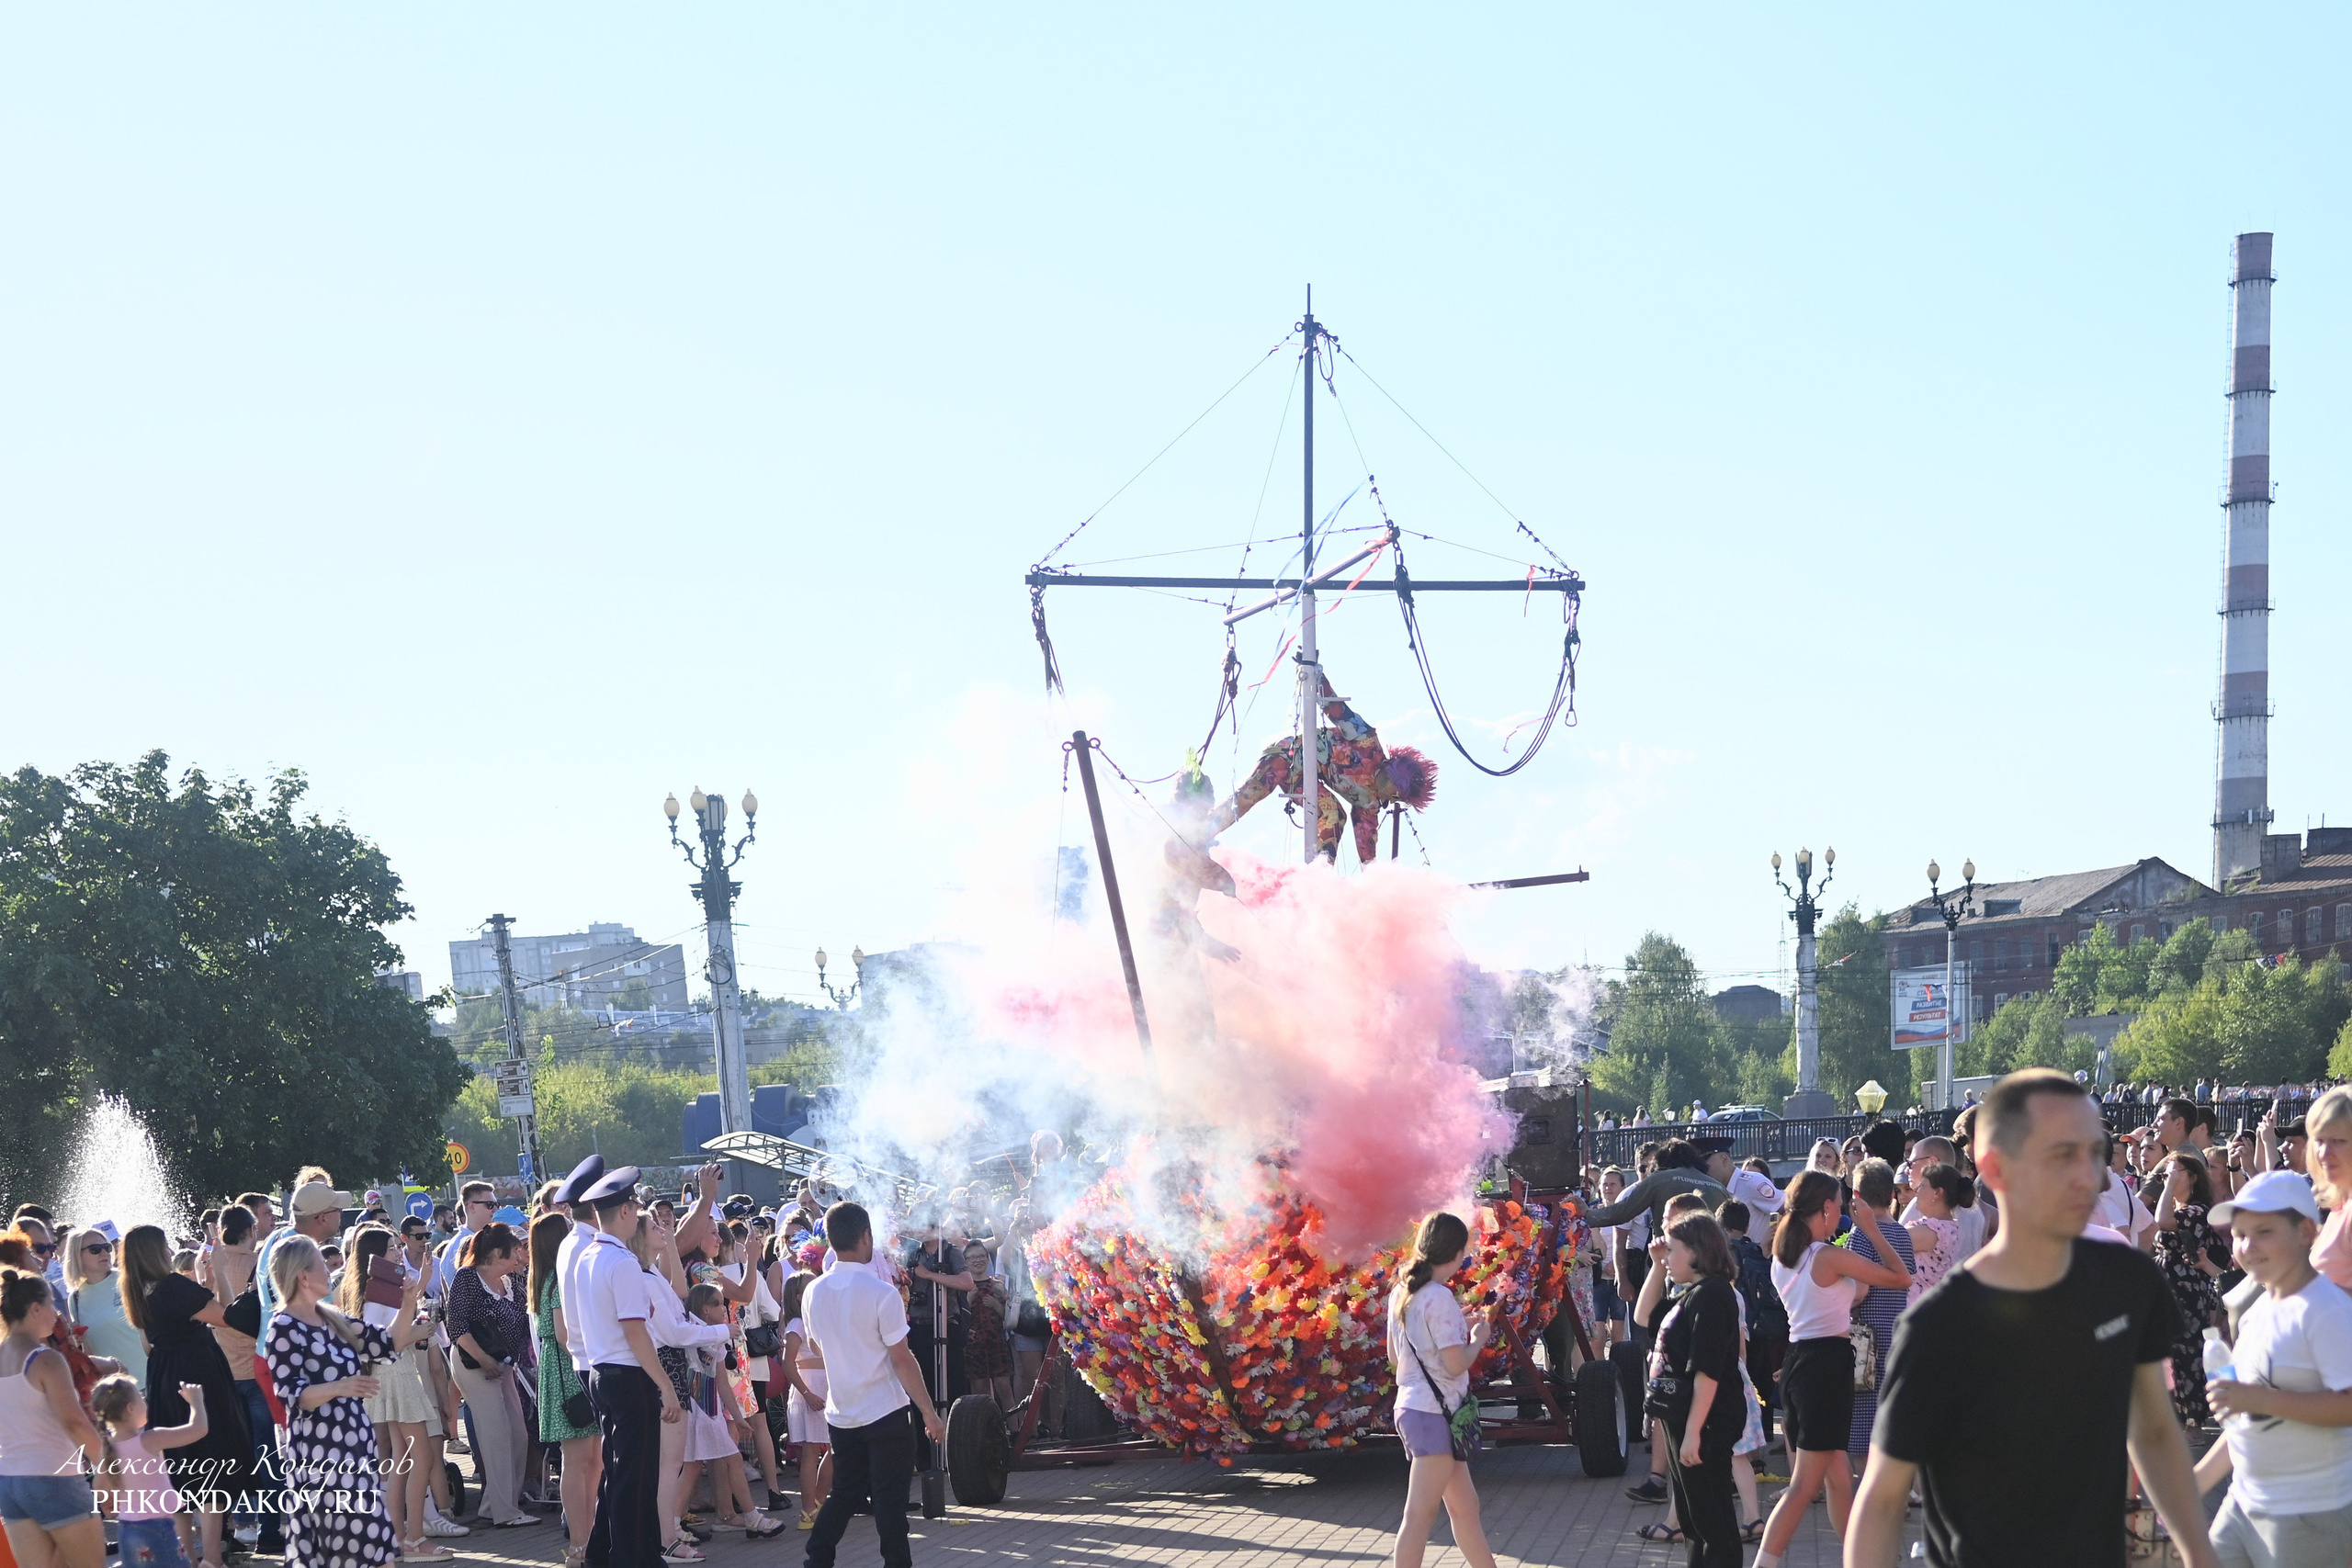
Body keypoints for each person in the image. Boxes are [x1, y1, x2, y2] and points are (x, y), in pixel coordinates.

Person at [1847, 1069, 2217, 1568]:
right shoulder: (1941, 1325)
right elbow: (1884, 1497)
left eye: (2094, 1152)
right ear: (1996, 1168)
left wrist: (2199, 1553)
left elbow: (2153, 1429)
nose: (2091, 1176)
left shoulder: (2129, 1282)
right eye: (2062, 1155)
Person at [1752, 1169, 1909, 1567]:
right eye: (1838, 1208)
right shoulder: (1825, 1255)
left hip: (1802, 1363)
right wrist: (1873, 1230)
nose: (1842, 1215)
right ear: (1824, 1208)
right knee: (1805, 1487)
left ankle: (1861, 1560)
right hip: (1824, 1367)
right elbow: (1901, 1277)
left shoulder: (1785, 1256)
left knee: (1839, 1480)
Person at [2194, 1170, 2352, 1565]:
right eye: (2240, 1233)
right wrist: (2191, 1484)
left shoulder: (2326, 1310)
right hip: (2243, 1503)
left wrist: (2260, 1398)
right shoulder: (2256, 1311)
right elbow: (2245, 1423)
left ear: (2305, 1232)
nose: (2247, 1246)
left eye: (2263, 1231)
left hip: (2306, 1514)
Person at [264, 1234, 432, 1568]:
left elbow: (388, 1343)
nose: (330, 1271)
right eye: (322, 1265)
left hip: (355, 1453)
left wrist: (410, 1299)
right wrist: (341, 1386)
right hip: (322, 1458)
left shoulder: (331, 1318)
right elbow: (293, 1397)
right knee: (354, 1549)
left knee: (375, 1549)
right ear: (303, 1276)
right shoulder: (283, 1327)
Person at [800, 1201, 945, 1568]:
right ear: (866, 1237)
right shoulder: (882, 1292)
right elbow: (902, 1358)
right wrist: (929, 1412)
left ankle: (816, 1559)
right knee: (890, 1503)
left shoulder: (812, 1291)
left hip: (843, 1412)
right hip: (885, 1411)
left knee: (844, 1494)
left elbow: (817, 1345)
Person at [119, 1225, 250, 1568]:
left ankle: (188, 1557)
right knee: (211, 1462)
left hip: (163, 1375)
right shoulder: (171, 1286)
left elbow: (149, 1346)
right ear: (155, 1251)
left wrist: (204, 1278)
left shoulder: (136, 1290)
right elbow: (226, 1316)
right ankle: (212, 1558)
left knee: (179, 1469)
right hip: (197, 1371)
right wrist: (219, 1270)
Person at [571, 1167, 682, 1568]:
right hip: (628, 1373)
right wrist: (665, 1386)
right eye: (634, 1206)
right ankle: (636, 1559)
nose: (638, 1213)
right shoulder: (622, 1262)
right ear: (623, 1212)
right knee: (636, 1478)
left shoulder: (588, 1256)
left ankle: (602, 1555)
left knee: (617, 1473)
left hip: (601, 1371)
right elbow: (636, 1333)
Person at [1383, 1213, 1497, 1568]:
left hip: (1418, 1409)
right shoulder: (1438, 1298)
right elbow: (1455, 1364)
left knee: (1466, 1508)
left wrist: (1452, 1322)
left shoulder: (1403, 1291)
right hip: (1435, 1413)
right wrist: (1477, 1339)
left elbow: (1392, 1354)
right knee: (1419, 1515)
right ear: (1456, 1251)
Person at [1633, 1213, 1745, 1568]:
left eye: (1673, 1250)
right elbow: (1642, 1316)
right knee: (1694, 1518)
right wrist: (1655, 1266)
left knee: (1712, 1521)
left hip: (1706, 1422)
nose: (1667, 1257)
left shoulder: (1712, 1295)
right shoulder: (1690, 1293)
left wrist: (1694, 1432)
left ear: (1697, 1251)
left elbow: (1707, 1371)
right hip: (1682, 1420)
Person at [333, 1224, 442, 1561]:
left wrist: (421, 1284)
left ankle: (398, 1537)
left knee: (400, 1460)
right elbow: (391, 1339)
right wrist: (421, 1329)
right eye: (392, 1248)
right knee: (419, 1457)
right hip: (397, 1371)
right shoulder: (379, 1290)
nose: (398, 1252)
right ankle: (415, 1538)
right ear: (375, 1255)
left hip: (388, 1373)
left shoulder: (368, 1288)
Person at [2, 1266, 108, 1568]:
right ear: (35, 1309)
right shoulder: (45, 1358)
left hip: (10, 1482)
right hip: (54, 1476)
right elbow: (74, 1422)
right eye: (51, 1304)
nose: (57, 1312)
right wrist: (105, 1466)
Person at [445, 1221, 539, 1528]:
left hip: (504, 1364)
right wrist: (485, 1360)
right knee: (496, 1435)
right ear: (498, 1253)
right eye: (516, 1250)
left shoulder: (513, 1281)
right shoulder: (467, 1278)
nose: (521, 1255)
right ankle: (505, 1512)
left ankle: (495, 1504)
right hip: (474, 1364)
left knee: (519, 1435)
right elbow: (457, 1327)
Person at [528, 1212, 601, 1568]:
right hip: (567, 1375)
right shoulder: (557, 1281)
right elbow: (563, 1335)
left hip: (566, 1374)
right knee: (577, 1462)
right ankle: (578, 1544)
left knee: (590, 1461)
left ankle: (588, 1538)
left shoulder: (550, 1279)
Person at [90, 1372, 209, 1568]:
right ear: (130, 1409)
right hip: (157, 1528)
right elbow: (198, 1429)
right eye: (141, 1398)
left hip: (127, 1529)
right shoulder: (151, 1439)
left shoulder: (107, 1448)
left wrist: (109, 1503)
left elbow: (99, 1486)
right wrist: (196, 1401)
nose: (145, 1402)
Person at [2154, 1147, 2228, 1425]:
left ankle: (2194, 1420)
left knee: (2188, 1352)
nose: (2168, 1178)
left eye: (2175, 1172)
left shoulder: (2198, 1210)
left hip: (2188, 1290)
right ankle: (2174, 1416)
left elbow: (2161, 1221)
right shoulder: (2176, 1207)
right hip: (2168, 1285)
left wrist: (2169, 1184)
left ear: (2194, 1177)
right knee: (2169, 1353)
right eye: (2166, 1174)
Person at [777, 1271, 831, 1529]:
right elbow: (788, 1364)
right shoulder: (797, 1324)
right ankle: (809, 1508)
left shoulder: (815, 1319)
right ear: (799, 1296)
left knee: (834, 1448)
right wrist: (807, 1393)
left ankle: (818, 1503)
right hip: (810, 1386)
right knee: (811, 1450)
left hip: (826, 1384)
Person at [62, 1229, 144, 1385]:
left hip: (152, 1378)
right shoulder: (76, 1298)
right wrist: (77, 1340)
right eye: (95, 1249)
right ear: (76, 1255)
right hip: (118, 1391)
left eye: (107, 1247)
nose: (104, 1253)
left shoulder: (129, 1280)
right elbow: (89, 1351)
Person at [1903, 1164, 1972, 1301]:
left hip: (1915, 1309)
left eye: (1922, 1185)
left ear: (1937, 1193)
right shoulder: (1949, 1227)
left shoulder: (1933, 1232)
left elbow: (1888, 1242)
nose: (1916, 1190)